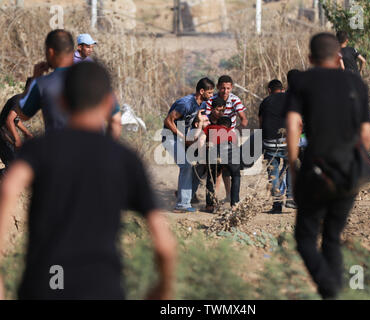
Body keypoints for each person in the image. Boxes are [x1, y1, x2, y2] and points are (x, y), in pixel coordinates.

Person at [0, 62, 176, 300]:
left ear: (61, 102)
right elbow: (165, 246)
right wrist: (162, 290)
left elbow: (9, 190)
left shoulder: (39, 150)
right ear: (108, 103)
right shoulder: (125, 159)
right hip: (101, 288)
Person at [286, 32, 370, 299]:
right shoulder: (356, 84)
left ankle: (330, 289)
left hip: (315, 170)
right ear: (339, 57)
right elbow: (366, 132)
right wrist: (358, 164)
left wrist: (293, 167)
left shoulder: (301, 81)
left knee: (305, 239)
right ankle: (333, 292)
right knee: (333, 236)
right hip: (349, 172)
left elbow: (292, 126)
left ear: (310, 58)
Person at [17, 29, 122, 139]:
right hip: (95, 151)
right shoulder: (95, 76)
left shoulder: (43, 83)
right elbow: (116, 121)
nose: (90, 49)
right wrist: (108, 150)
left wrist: (35, 78)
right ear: (75, 48)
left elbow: (21, 113)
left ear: (50, 52)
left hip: (58, 153)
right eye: (88, 46)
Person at [162, 78, 214, 213]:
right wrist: (183, 138)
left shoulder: (201, 104)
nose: (211, 96)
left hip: (185, 135)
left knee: (200, 166)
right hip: (170, 137)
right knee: (185, 165)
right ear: (201, 91)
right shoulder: (185, 104)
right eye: (209, 93)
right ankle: (181, 205)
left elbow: (196, 120)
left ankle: (186, 198)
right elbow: (168, 121)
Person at [205, 75, 248, 202]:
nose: (225, 91)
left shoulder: (235, 100)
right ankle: (214, 198)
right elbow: (207, 119)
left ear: (231, 88)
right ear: (218, 87)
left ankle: (228, 196)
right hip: (213, 136)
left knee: (228, 168)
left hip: (229, 137)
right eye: (223, 88)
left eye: (228, 88)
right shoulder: (211, 100)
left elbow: (244, 120)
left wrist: (234, 132)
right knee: (215, 169)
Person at [259, 79, 295, 214]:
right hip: (287, 141)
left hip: (269, 143)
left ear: (269, 90)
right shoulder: (290, 99)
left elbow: (261, 123)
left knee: (273, 173)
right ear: (282, 89)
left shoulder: (265, 102)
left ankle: (277, 205)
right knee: (291, 167)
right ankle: (290, 197)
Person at [200, 116, 240, 213]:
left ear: (217, 123)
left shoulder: (210, 128)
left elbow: (201, 140)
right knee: (236, 176)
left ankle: (210, 205)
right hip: (230, 151)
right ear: (229, 126)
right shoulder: (231, 132)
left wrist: (202, 158)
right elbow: (235, 147)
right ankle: (234, 205)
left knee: (211, 177)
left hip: (214, 151)